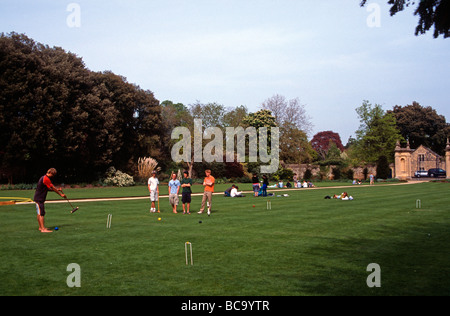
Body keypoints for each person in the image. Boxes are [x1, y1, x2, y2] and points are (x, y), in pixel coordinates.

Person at [34, 168, 66, 233]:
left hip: (38, 198)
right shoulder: (46, 179)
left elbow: (48, 189)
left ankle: (41, 227)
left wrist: (58, 189)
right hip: (39, 199)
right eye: (53, 175)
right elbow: (53, 188)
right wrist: (61, 195)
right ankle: (43, 229)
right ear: (50, 173)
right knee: (41, 213)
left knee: (39, 213)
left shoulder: (44, 178)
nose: (53, 176)